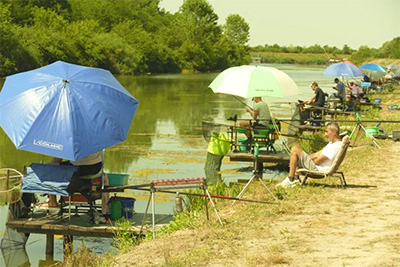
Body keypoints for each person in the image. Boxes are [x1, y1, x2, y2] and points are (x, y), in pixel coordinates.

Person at [276, 121, 342, 187]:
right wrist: (305, 158)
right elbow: (317, 154)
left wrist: (306, 160)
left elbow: (317, 161)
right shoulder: (331, 143)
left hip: (318, 170)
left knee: (295, 149)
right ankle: (295, 178)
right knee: (296, 155)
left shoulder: (335, 146)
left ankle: (290, 179)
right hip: (316, 166)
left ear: (334, 132)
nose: (325, 134)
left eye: (327, 132)